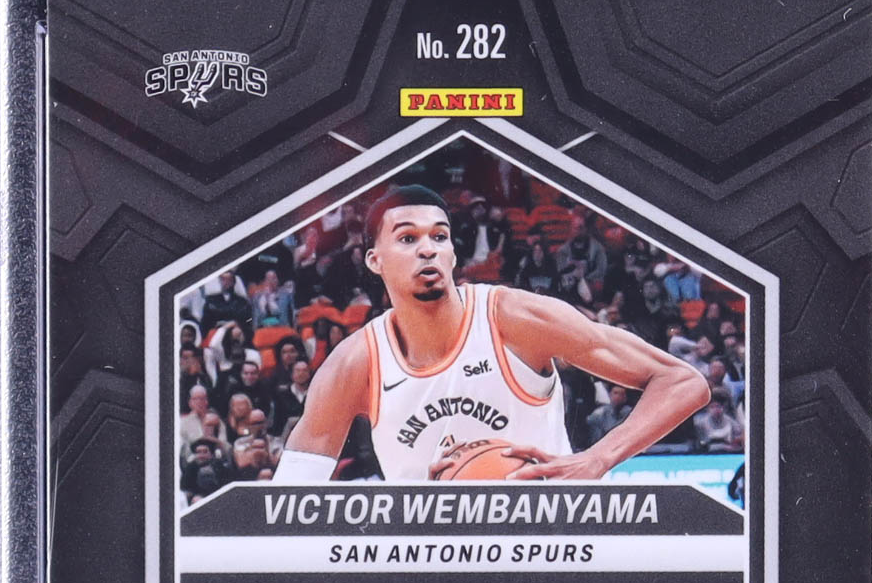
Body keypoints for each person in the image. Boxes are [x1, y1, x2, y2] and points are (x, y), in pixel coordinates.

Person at [274, 185, 708, 483]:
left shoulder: (514, 319)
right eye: (407, 239)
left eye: (439, 237)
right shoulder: (356, 362)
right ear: (374, 260)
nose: (427, 249)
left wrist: (597, 459)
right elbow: (287, 503)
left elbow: (682, 381)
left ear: (452, 253)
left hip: (547, 550)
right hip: (430, 566)